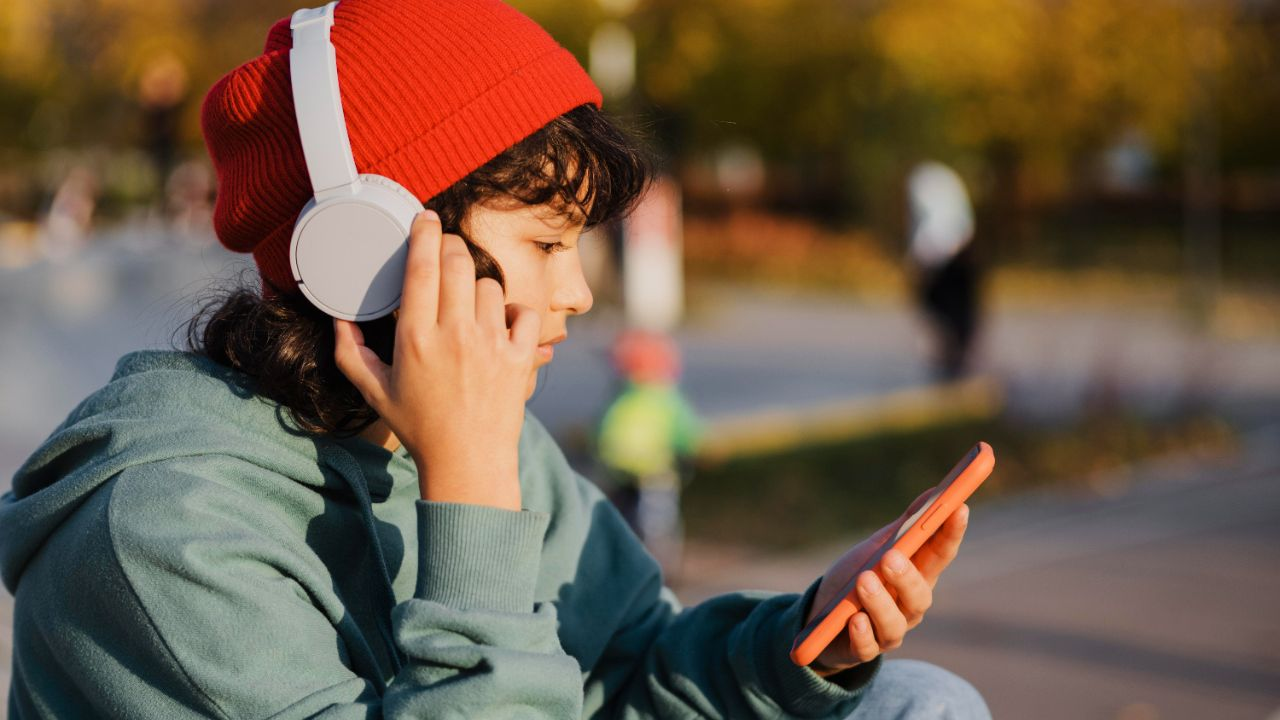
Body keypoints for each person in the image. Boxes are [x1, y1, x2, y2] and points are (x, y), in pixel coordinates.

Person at [0, 1, 990, 717]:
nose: (578, 295)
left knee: (909, 701)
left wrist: (801, 641)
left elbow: (629, 669)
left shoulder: (488, 442)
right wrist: (466, 493)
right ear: (373, 256)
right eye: (548, 246)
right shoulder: (160, 532)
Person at [597, 329, 701, 577]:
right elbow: (607, 426)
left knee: (655, 522)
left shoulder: (665, 398)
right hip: (619, 472)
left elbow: (685, 427)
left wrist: (692, 448)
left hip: (655, 472)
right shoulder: (624, 394)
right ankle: (628, 562)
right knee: (621, 520)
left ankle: (661, 568)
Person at [906, 161, 982, 381]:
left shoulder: (922, 182)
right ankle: (955, 357)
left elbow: (928, 226)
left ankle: (952, 357)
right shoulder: (942, 179)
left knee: (944, 311)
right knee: (955, 312)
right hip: (957, 249)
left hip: (941, 255)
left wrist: (919, 258)